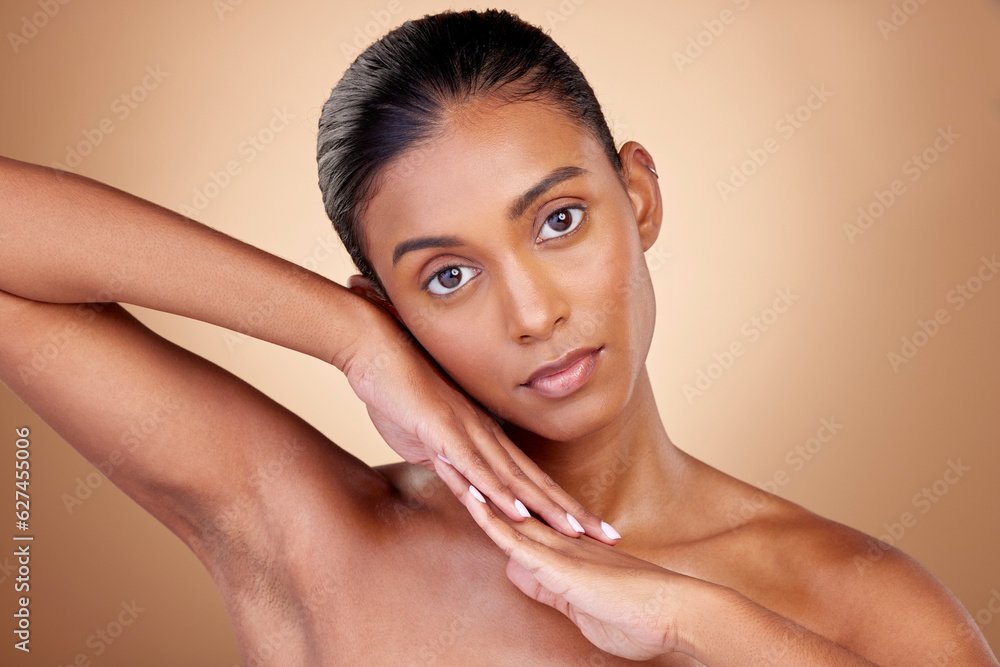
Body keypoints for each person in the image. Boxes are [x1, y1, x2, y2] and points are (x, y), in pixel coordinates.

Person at [0, 8, 995, 666]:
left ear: (636, 196)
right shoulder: (309, 529)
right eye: (446, 275)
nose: (530, 312)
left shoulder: (857, 601)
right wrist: (347, 337)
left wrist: (700, 622)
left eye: (558, 220)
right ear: (390, 301)